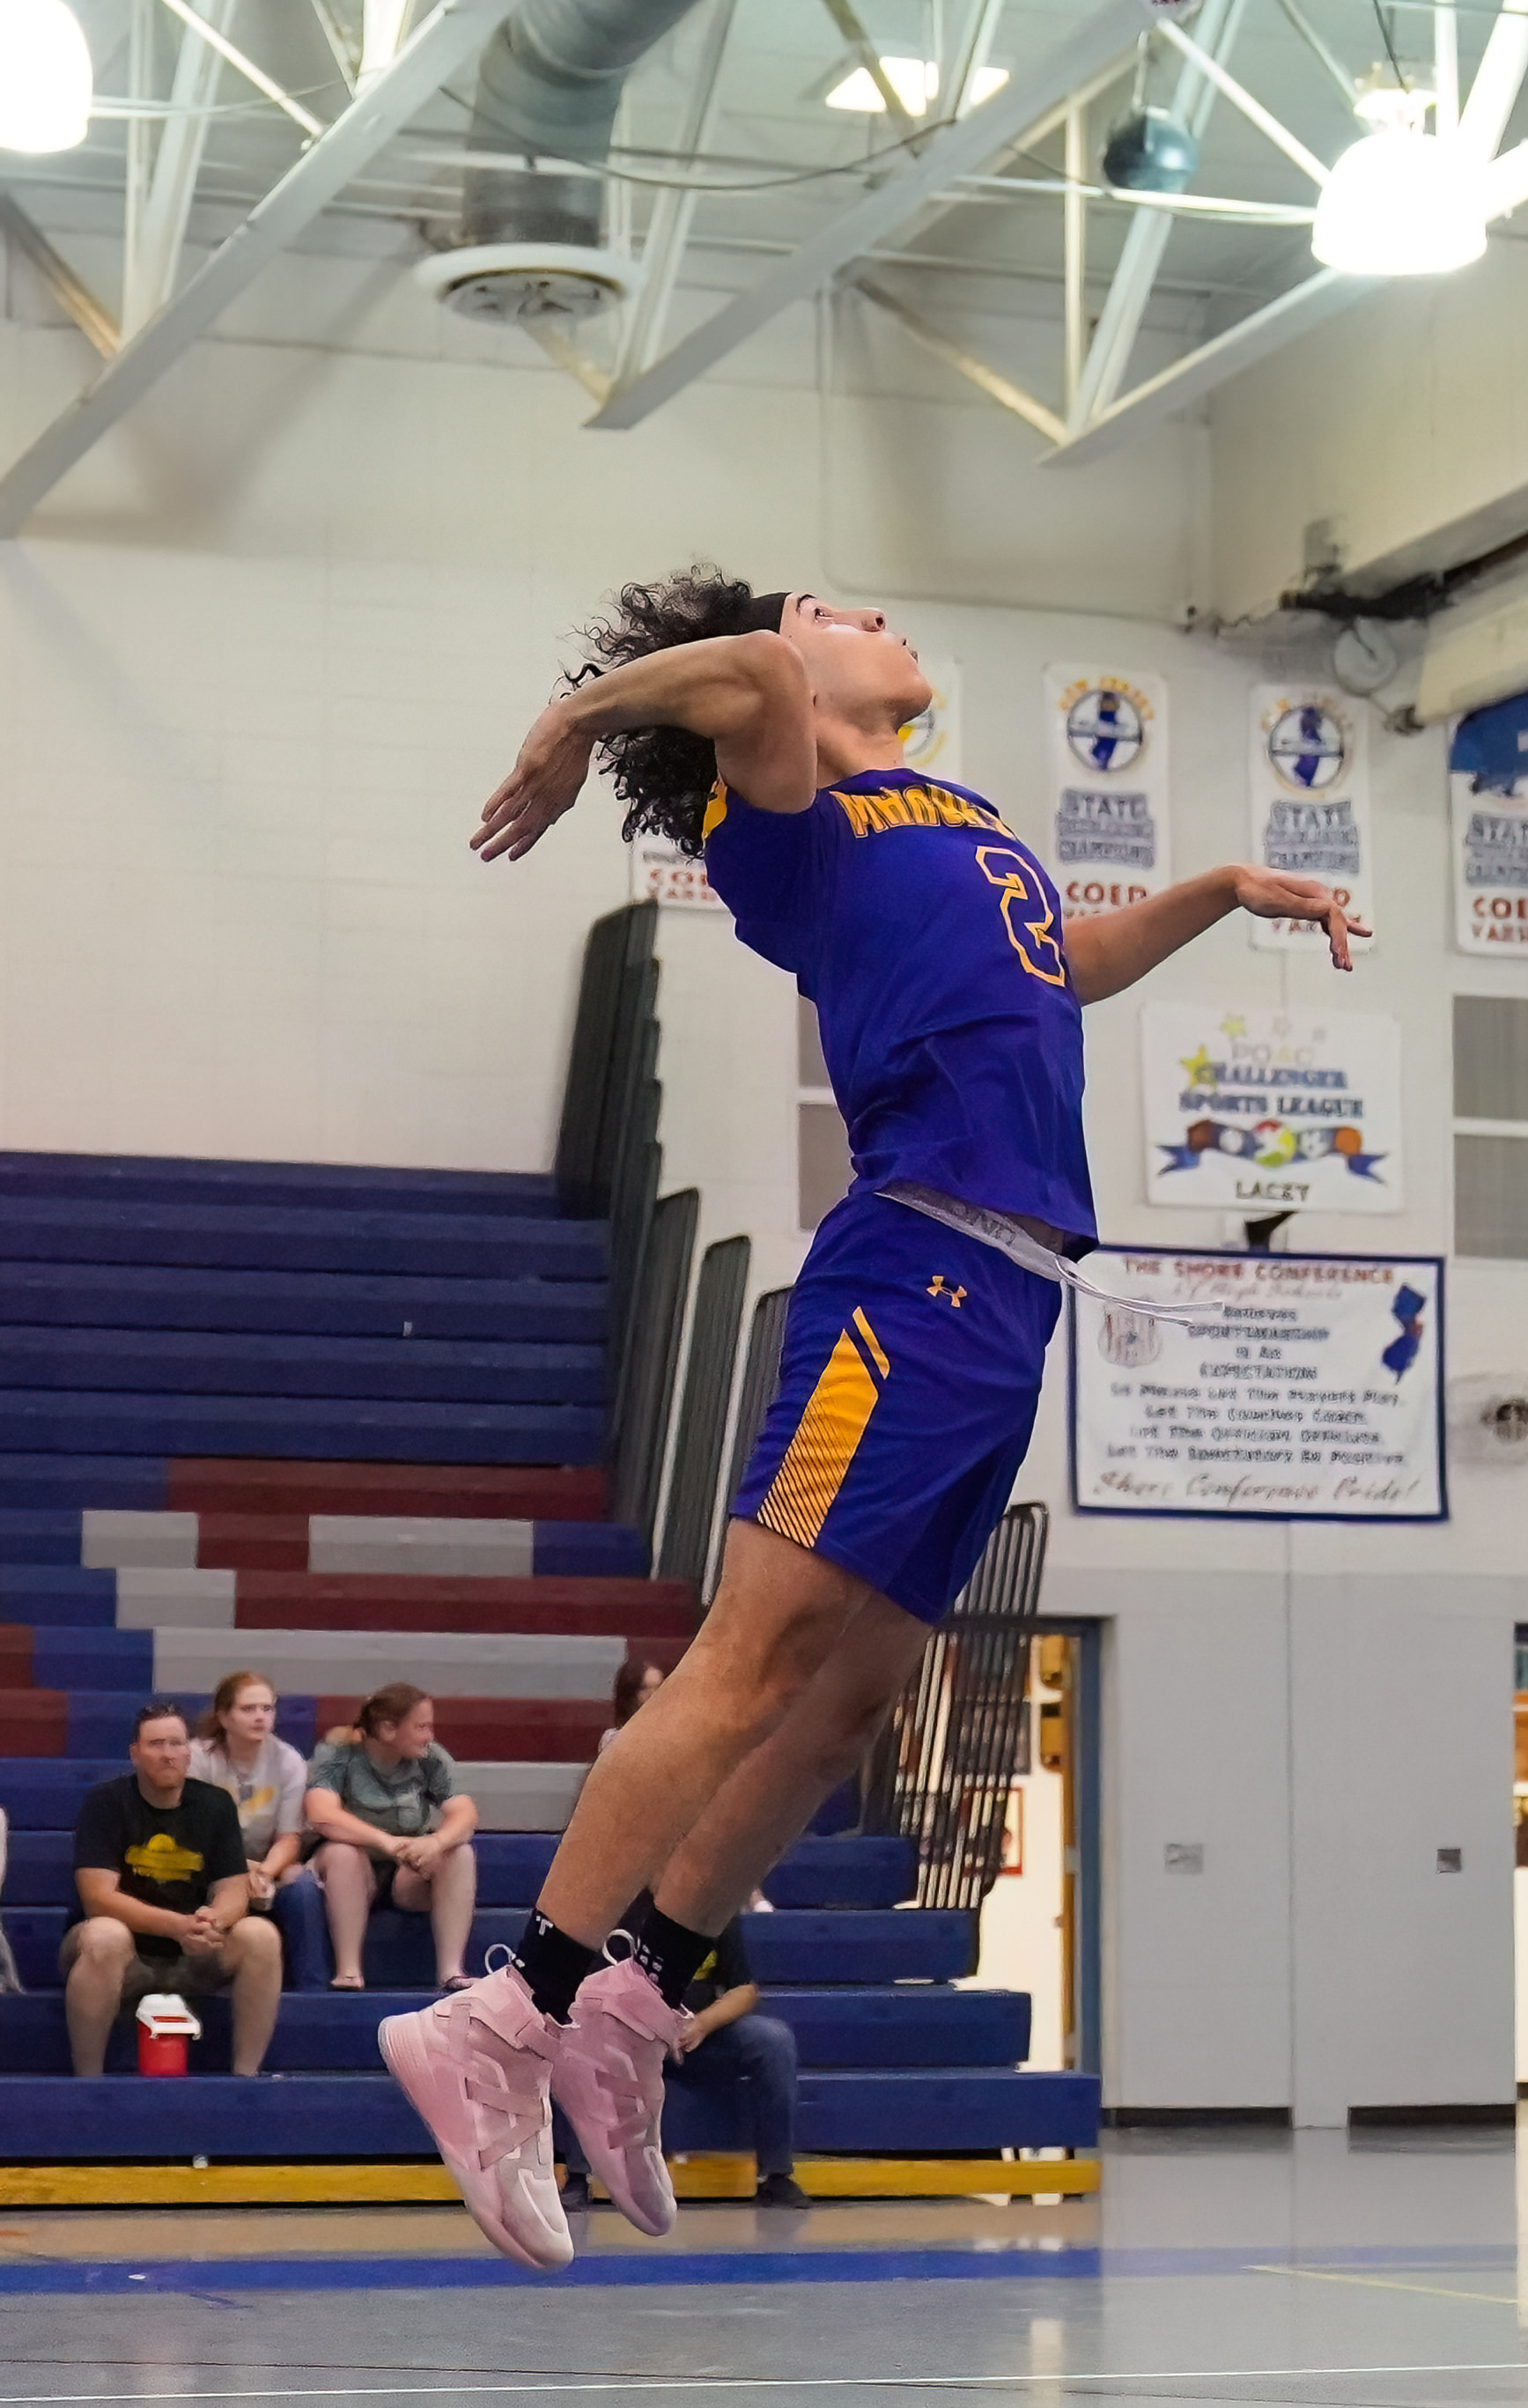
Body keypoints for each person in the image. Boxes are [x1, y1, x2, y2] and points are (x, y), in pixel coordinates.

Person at [380, 570, 1364, 2271]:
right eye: (832, 605)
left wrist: (1214, 885)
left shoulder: (953, 812)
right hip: (906, 1274)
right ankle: (501, 2015)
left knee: (846, 1703)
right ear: (776, 689)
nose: (864, 611)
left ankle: (639, 2000)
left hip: (1011, 1295)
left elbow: (1069, 958)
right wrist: (575, 713)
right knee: (747, 1662)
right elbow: (750, 664)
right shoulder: (793, 816)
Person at [63, 1699, 284, 2077]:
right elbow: (97, 1897)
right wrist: (177, 1926)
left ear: (189, 1751)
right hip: (123, 1955)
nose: (169, 1755)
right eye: (156, 1744)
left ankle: (246, 2079)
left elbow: (233, 1889)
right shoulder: (106, 1802)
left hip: (193, 1952)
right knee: (105, 1935)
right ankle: (88, 2082)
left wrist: (211, 1922)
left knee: (260, 1935)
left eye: (177, 1744)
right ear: (135, 1753)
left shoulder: (215, 1805)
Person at [305, 1684, 479, 1992]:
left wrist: (435, 1842)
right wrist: (384, 1841)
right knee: (344, 1854)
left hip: (407, 1871)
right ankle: (348, 1969)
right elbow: (321, 1812)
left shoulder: (430, 1758)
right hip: (351, 1868)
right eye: (422, 1727)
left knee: (460, 1852)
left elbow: (464, 1813)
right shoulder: (339, 1752)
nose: (430, 1736)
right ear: (388, 1729)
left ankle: (451, 1971)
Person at [188, 1670, 328, 1991]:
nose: (260, 1717)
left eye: (267, 1709)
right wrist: (240, 1869)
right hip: (208, 1865)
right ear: (224, 1716)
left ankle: (314, 1991)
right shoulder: (197, 1758)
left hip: (263, 1867)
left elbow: (289, 1838)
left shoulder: (288, 1761)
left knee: (303, 1884)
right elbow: (192, 1833)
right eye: (248, 1709)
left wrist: (264, 1872)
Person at [671, 1902, 806, 2209]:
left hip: (701, 2037)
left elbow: (744, 1990)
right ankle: (577, 2176)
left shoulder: (715, 1907)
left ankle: (775, 2175)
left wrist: (702, 2025)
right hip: (635, 2041)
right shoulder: (624, 1910)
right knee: (582, 2042)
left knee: (773, 2039)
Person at [599, 1658, 664, 1754]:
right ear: (630, 1694)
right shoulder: (614, 1739)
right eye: (644, 1688)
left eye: (659, 1687)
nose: (654, 1695)